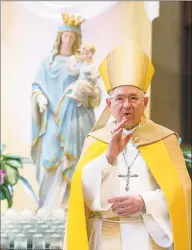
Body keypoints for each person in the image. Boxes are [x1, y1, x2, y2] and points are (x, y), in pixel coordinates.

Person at [65, 40, 191, 250]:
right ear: (108, 104)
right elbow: (81, 195)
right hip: (105, 238)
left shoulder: (164, 139)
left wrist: (144, 202)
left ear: (145, 103)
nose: (126, 105)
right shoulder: (96, 140)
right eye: (120, 98)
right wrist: (108, 158)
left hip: (148, 237)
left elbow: (181, 192)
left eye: (133, 98)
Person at [31, 13, 100, 210]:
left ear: (77, 39)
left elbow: (95, 92)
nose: (68, 39)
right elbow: (37, 86)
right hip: (52, 118)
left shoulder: (82, 64)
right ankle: (48, 207)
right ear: (59, 36)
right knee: (49, 156)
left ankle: (73, 206)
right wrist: (40, 98)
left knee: (77, 159)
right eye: (65, 35)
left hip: (75, 119)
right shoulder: (49, 64)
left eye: (72, 36)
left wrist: (86, 92)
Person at [66, 44, 100, 108]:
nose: (85, 56)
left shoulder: (93, 66)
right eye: (83, 54)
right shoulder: (82, 64)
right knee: (74, 85)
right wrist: (70, 69)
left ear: (92, 53)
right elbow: (76, 70)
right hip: (82, 83)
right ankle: (81, 100)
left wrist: (89, 76)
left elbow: (96, 76)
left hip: (90, 85)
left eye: (87, 54)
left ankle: (81, 99)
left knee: (79, 84)